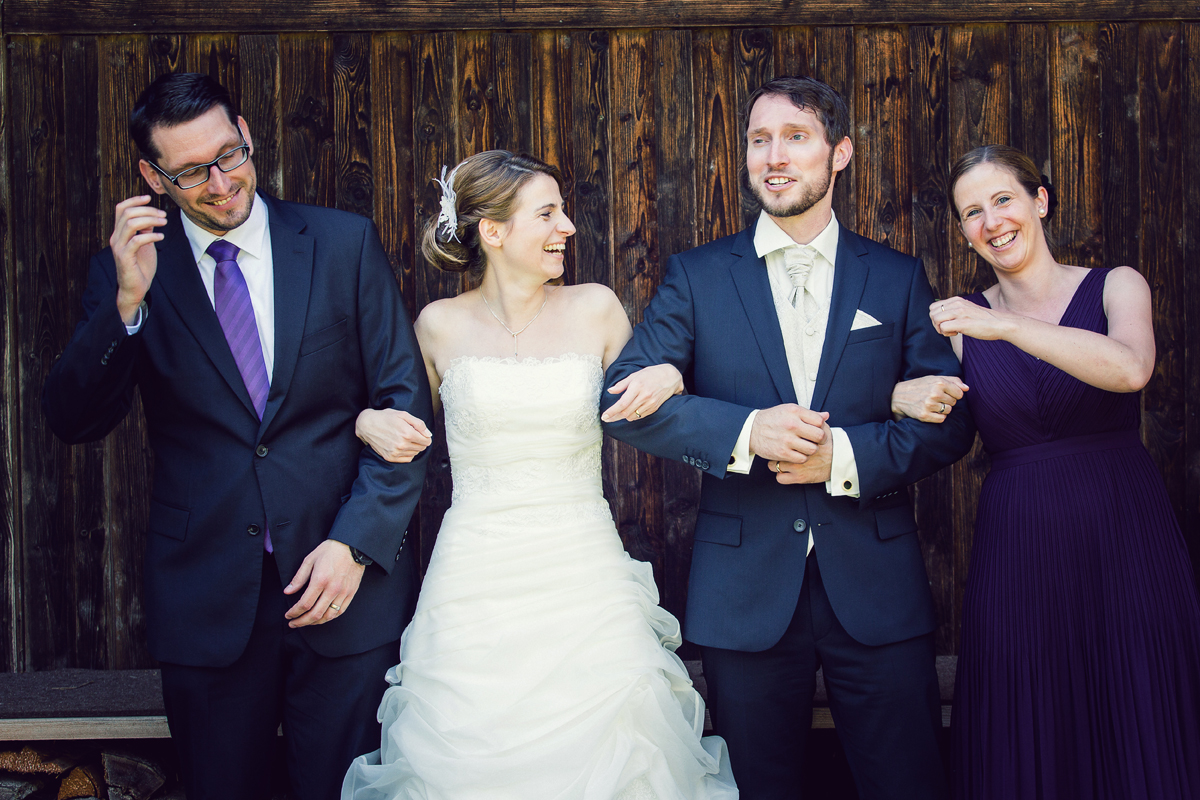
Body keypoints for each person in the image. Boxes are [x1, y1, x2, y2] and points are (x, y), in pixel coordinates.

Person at [41, 72, 432, 800]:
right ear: (152, 177)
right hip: (205, 599)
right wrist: (126, 303)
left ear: (247, 134)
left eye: (229, 155)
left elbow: (404, 411)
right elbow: (74, 420)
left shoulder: (343, 244)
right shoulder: (127, 275)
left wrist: (355, 545)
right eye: (191, 173)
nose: (221, 184)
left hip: (347, 591)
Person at [601, 75, 976, 800]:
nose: (774, 156)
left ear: (840, 153)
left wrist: (844, 456)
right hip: (743, 595)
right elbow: (621, 399)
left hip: (878, 590)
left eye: (796, 138)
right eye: (759, 139)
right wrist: (748, 431)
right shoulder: (697, 277)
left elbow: (953, 421)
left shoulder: (895, 278)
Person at [342, 150, 738, 799]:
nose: (568, 228)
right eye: (548, 213)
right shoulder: (437, 326)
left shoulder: (596, 309)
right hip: (474, 577)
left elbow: (656, 408)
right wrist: (365, 420)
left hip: (582, 568)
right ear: (493, 231)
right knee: (467, 752)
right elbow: (396, 420)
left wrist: (670, 374)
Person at [891, 144, 1200, 799]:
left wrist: (1002, 326)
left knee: (1136, 699)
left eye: (1003, 199)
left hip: (1125, 529)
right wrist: (900, 395)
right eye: (972, 212)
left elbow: (1130, 369)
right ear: (964, 231)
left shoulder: (1116, 285)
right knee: (1030, 710)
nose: (991, 221)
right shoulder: (958, 322)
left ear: (1040, 201)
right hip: (1020, 539)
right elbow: (903, 402)